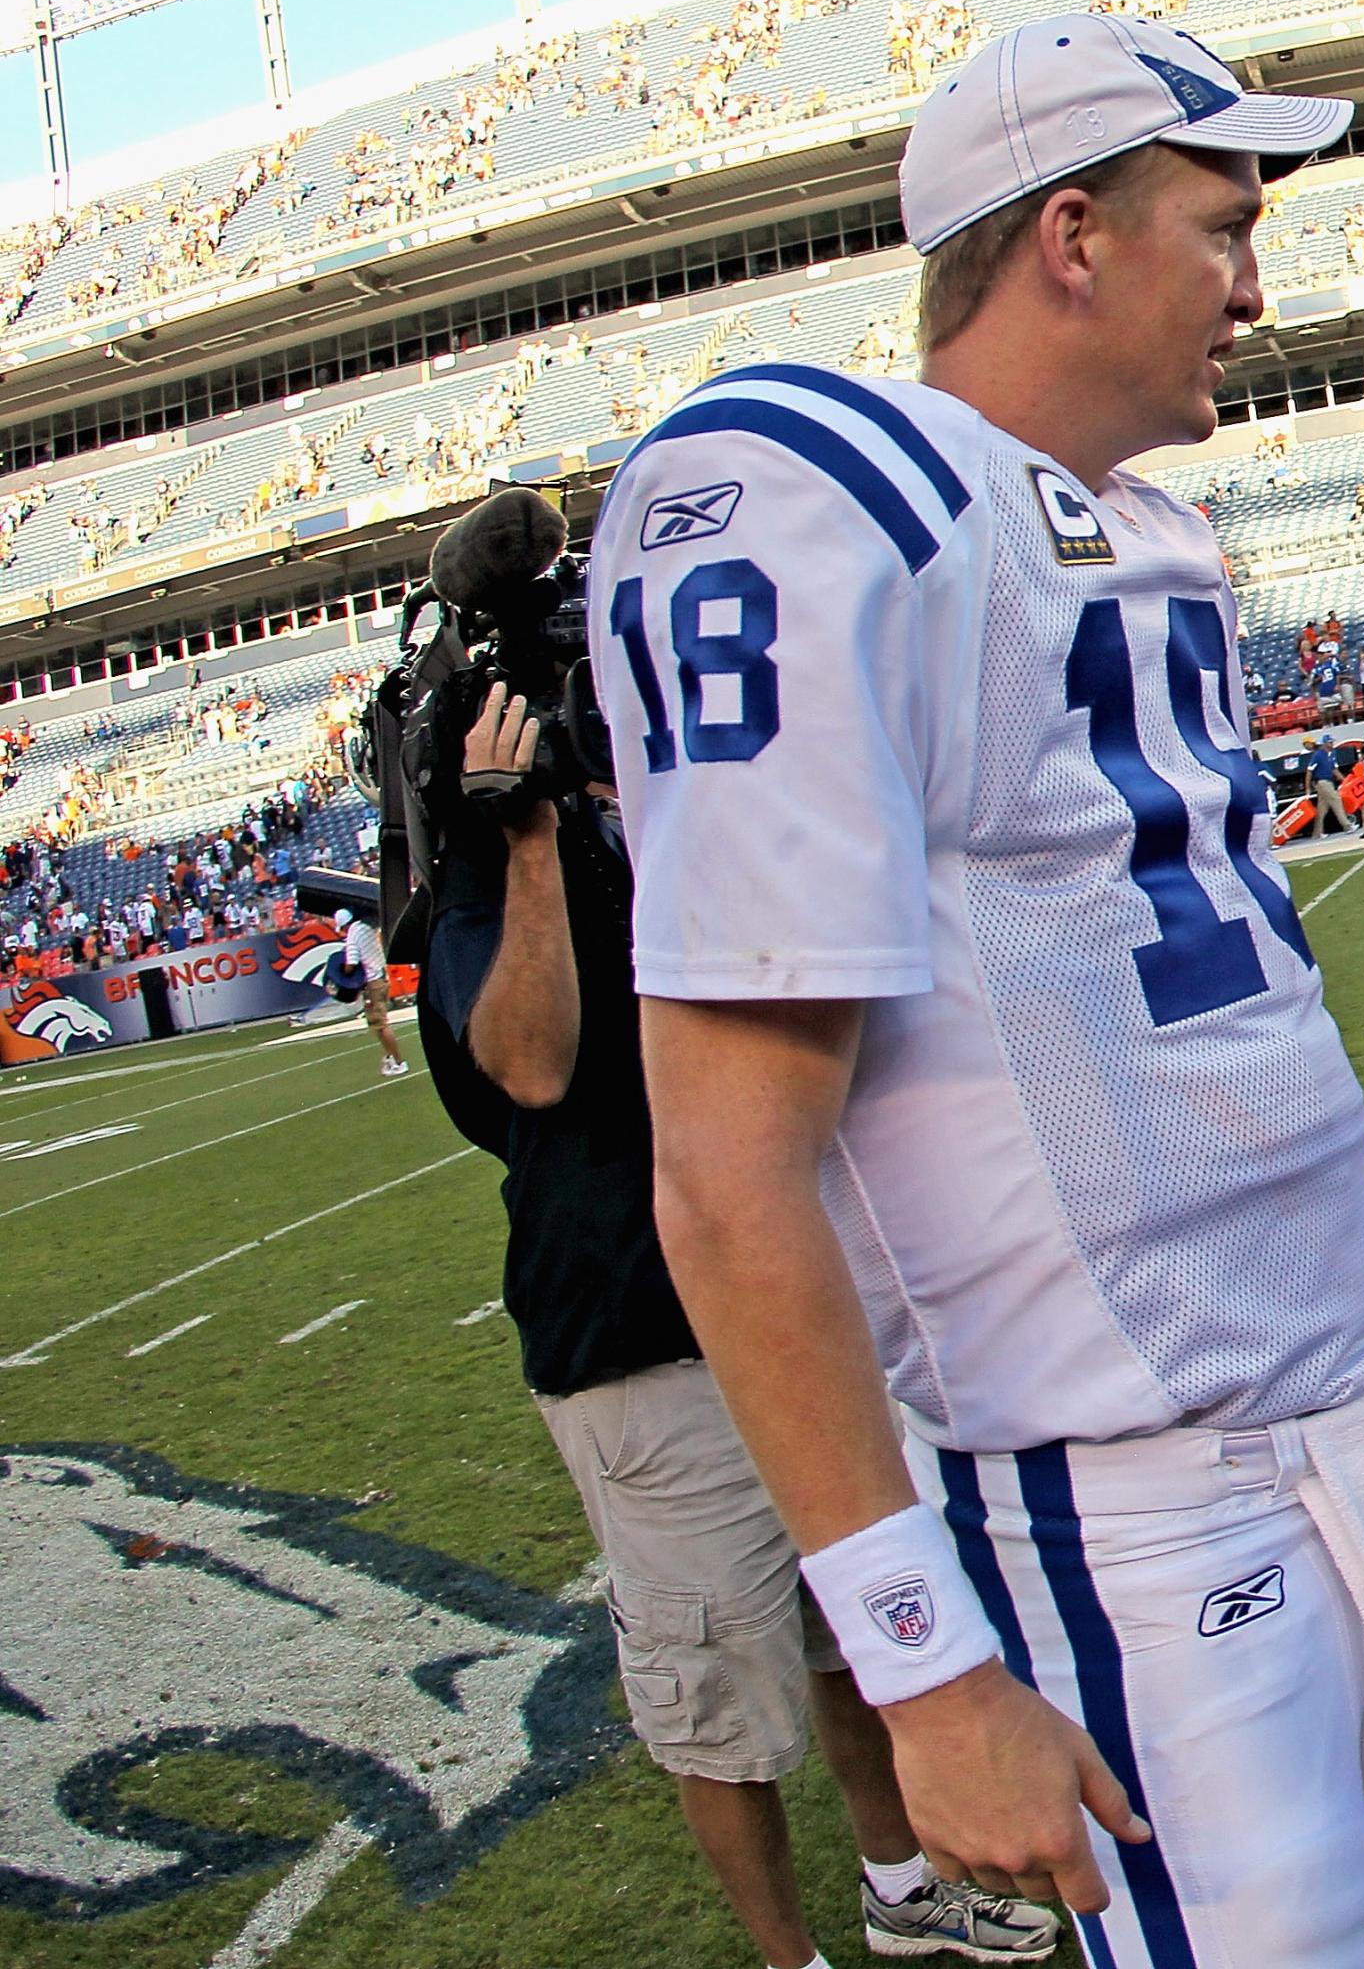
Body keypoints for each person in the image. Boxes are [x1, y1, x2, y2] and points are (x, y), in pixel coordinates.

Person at [589, 14, 1364, 1969]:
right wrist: (927, 1668)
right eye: (1221, 226)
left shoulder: (1135, 528)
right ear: (1075, 236)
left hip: (1341, 1429)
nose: (1256, 286)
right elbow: (726, 1171)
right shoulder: (817, 489)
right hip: (1139, 1507)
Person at [421, 679, 1052, 1969]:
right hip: (634, 1336)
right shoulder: (486, 884)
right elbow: (531, 1062)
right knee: (715, 1699)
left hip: (780, 1293)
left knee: (858, 1633)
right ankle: (789, 1958)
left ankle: (902, 1888)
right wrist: (530, 843)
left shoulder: (647, 834)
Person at [331, 906, 406, 1077]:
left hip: (372, 982)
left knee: (380, 1024)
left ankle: (399, 1062)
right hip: (382, 976)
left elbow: (351, 963)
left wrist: (341, 972)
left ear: (344, 925)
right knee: (378, 1024)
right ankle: (390, 1057)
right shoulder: (366, 927)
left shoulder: (353, 934)